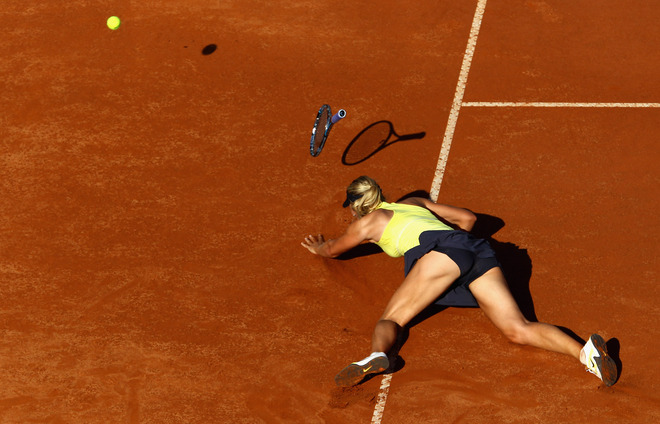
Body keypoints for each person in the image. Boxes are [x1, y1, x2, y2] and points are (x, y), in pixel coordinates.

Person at [301, 176, 618, 387]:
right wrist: (458, 251)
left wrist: (319, 247)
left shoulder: (365, 224)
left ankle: (377, 355)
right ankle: (586, 353)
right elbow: (468, 219)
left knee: (392, 319)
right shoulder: (413, 203)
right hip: (477, 250)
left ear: (356, 205)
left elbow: (333, 250)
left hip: (443, 254)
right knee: (517, 328)